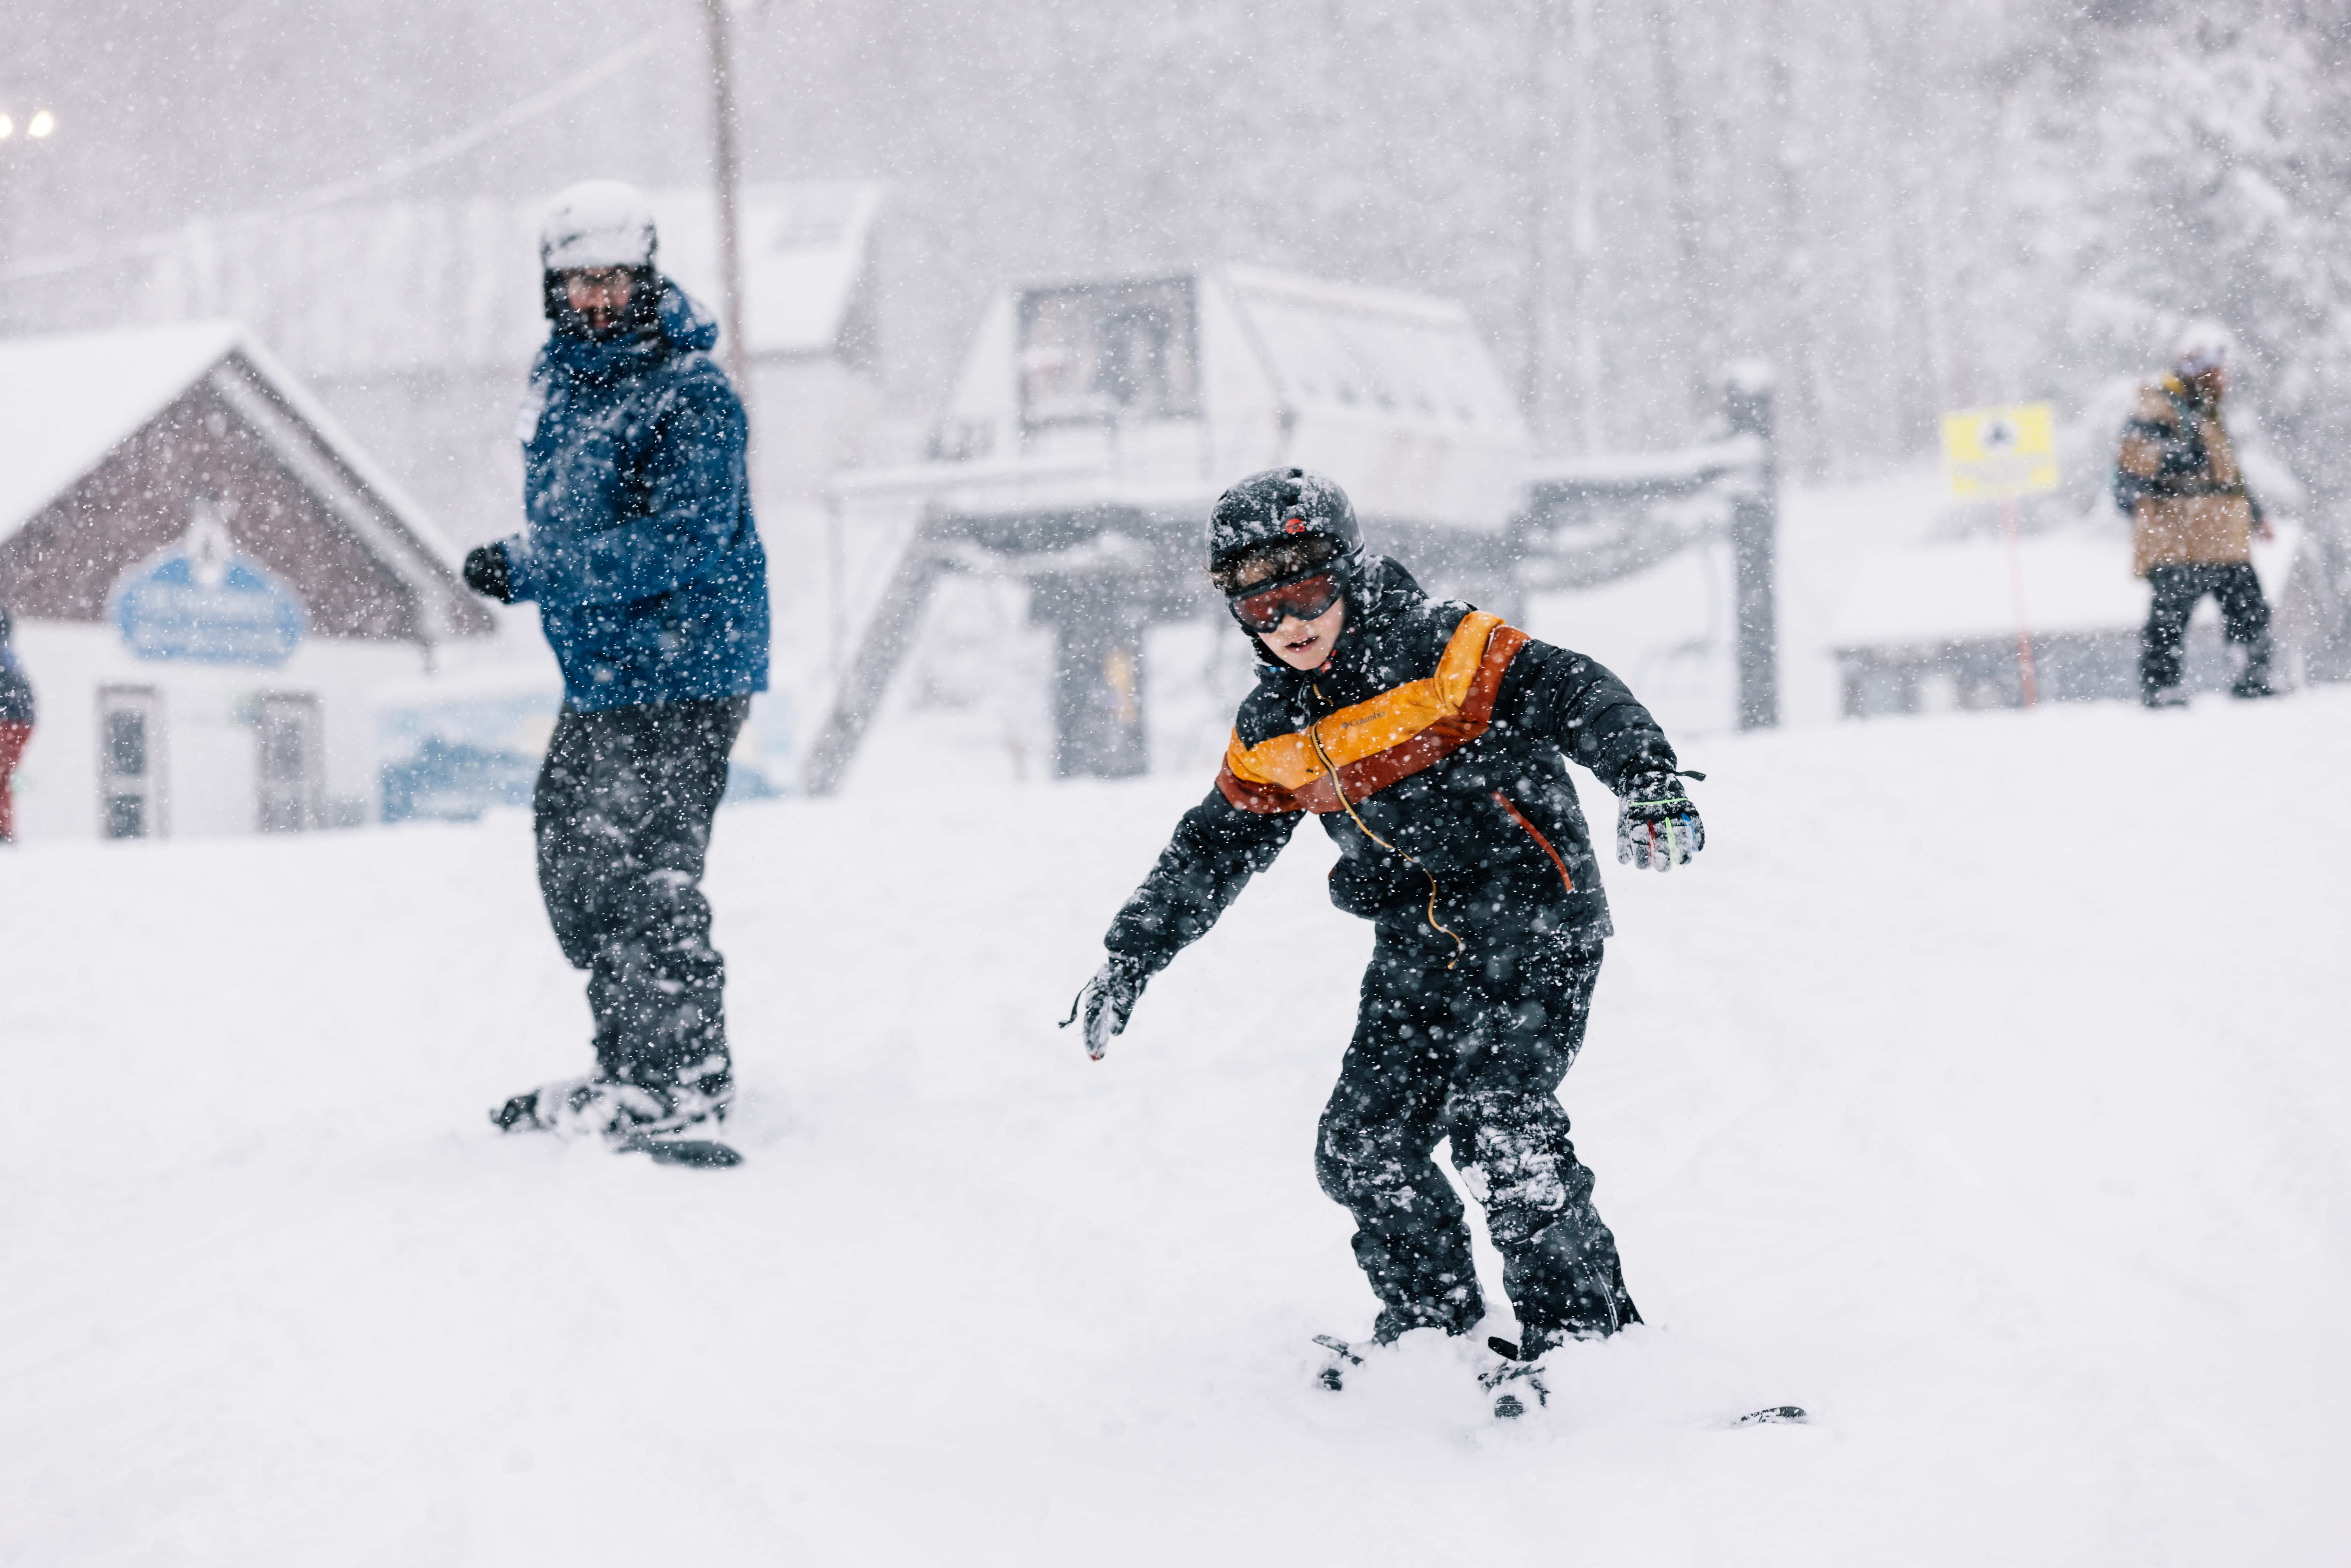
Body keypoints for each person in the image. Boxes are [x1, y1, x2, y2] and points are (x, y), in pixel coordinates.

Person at [1063, 468, 1704, 1415]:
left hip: (1534, 919)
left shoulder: (1442, 648)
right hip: (1419, 943)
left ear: (1349, 571)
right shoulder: (1275, 726)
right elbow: (1216, 843)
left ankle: (1585, 1341)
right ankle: (1434, 1323)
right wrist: (1133, 953)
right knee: (1361, 1143)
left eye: (1307, 589)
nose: (1289, 619)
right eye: (1259, 600)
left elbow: (1577, 691)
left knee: (1500, 1124)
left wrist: (1645, 777)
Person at [464, 180, 770, 1144]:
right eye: (577, 283)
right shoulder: (565, 385)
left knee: (646, 871)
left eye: (613, 279)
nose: (595, 299)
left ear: (646, 276)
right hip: (606, 672)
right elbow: (588, 517)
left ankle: (683, 1079)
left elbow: (682, 541)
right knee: (578, 860)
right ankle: (627, 1068)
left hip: (687, 666)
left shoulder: (693, 393)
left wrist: (530, 566)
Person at [2116, 320, 2279, 706]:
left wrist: (2256, 515)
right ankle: (2161, 686)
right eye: (2218, 371)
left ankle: (2252, 675)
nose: (2225, 379)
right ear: (2200, 370)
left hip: (2223, 535)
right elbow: (2136, 458)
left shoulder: (2207, 416)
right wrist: (2180, 456)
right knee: (2170, 617)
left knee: (2250, 608)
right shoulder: (2157, 405)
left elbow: (2229, 476)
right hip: (2179, 535)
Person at [0, 604, 35, 844]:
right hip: (22, 720)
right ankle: (5, 828)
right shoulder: (10, 655)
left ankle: (4, 830)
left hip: (8, 720)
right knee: (4, 777)